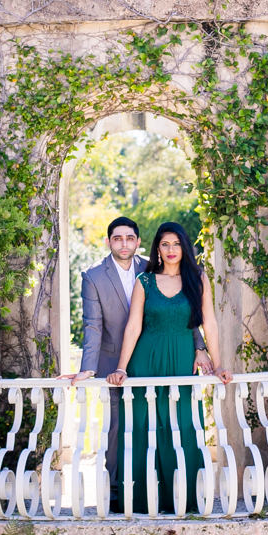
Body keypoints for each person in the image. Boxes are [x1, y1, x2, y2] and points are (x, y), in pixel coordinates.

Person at [59, 217, 212, 512]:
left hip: (166, 355)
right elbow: (92, 325)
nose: (124, 243)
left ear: (139, 242)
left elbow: (183, 310)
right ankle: (121, 492)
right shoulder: (93, 276)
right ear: (109, 242)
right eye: (118, 238)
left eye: (130, 238)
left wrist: (199, 346)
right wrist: (88, 368)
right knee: (123, 428)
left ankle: (174, 488)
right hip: (119, 362)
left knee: (172, 422)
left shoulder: (153, 268)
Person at [107, 221, 231, 514]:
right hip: (145, 360)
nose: (171, 249)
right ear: (157, 249)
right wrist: (122, 368)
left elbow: (208, 323)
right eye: (165, 244)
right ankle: (140, 501)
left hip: (181, 359)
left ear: (184, 247)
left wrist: (218, 363)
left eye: (176, 244)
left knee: (183, 425)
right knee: (142, 427)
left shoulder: (198, 279)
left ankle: (184, 498)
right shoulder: (145, 281)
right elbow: (133, 326)